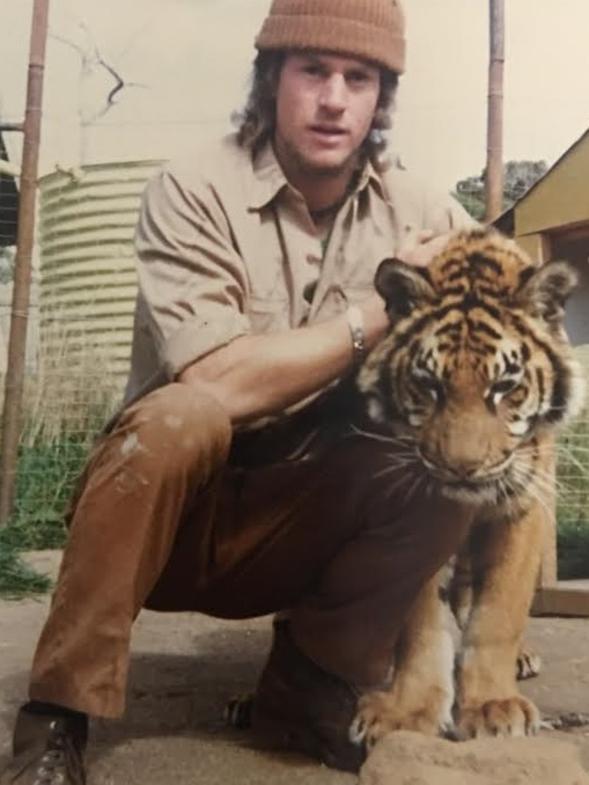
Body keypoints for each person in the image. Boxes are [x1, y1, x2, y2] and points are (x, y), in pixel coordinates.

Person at [2, 1, 477, 782]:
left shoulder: (420, 210)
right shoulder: (192, 187)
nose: (333, 99)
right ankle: (57, 715)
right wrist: (380, 309)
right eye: (311, 71)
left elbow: (507, 314)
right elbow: (218, 382)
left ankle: (310, 686)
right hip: (172, 526)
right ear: (270, 79)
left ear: (380, 98)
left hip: (303, 517)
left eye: (358, 78)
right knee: (179, 415)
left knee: (441, 447)